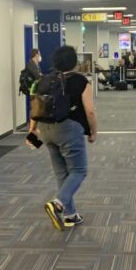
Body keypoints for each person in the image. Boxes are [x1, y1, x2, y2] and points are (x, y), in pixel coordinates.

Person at [27, 45, 97, 230]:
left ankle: (70, 215)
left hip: (46, 130)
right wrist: (93, 131)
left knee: (62, 174)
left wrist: (32, 130)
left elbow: (35, 108)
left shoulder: (44, 80)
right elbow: (89, 111)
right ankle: (58, 204)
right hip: (68, 129)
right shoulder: (81, 81)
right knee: (79, 171)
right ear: (74, 62)